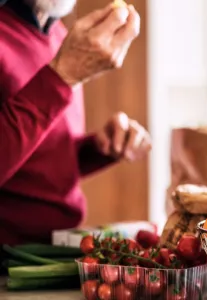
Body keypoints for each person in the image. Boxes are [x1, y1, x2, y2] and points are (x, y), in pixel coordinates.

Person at [0, 0, 151, 245]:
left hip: (54, 249)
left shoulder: (61, 37)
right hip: (10, 258)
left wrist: (98, 148)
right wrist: (61, 76)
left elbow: (33, 162)